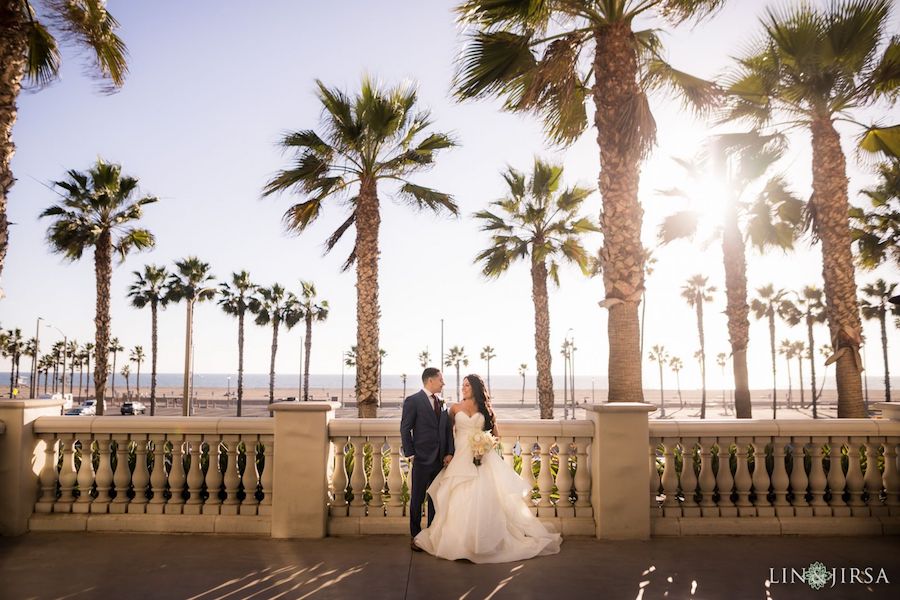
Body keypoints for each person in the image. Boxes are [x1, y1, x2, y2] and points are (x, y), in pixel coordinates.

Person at [414, 374, 561, 563]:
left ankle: (484, 542)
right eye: (463, 385)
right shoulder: (454, 409)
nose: (463, 388)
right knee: (459, 496)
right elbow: (447, 435)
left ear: (475, 388)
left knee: (483, 496)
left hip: (482, 458)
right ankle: (460, 541)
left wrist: (484, 446)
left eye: (467, 385)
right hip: (460, 457)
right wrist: (448, 453)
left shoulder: (486, 410)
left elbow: (496, 436)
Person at [400, 367, 454, 551]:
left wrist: (449, 452)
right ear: (430, 381)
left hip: (439, 460)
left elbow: (447, 431)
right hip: (421, 459)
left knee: (434, 499)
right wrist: (411, 454)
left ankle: (431, 534)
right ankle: (415, 537)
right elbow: (405, 428)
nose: (443, 383)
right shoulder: (413, 401)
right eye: (441, 380)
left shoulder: (442, 402)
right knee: (417, 498)